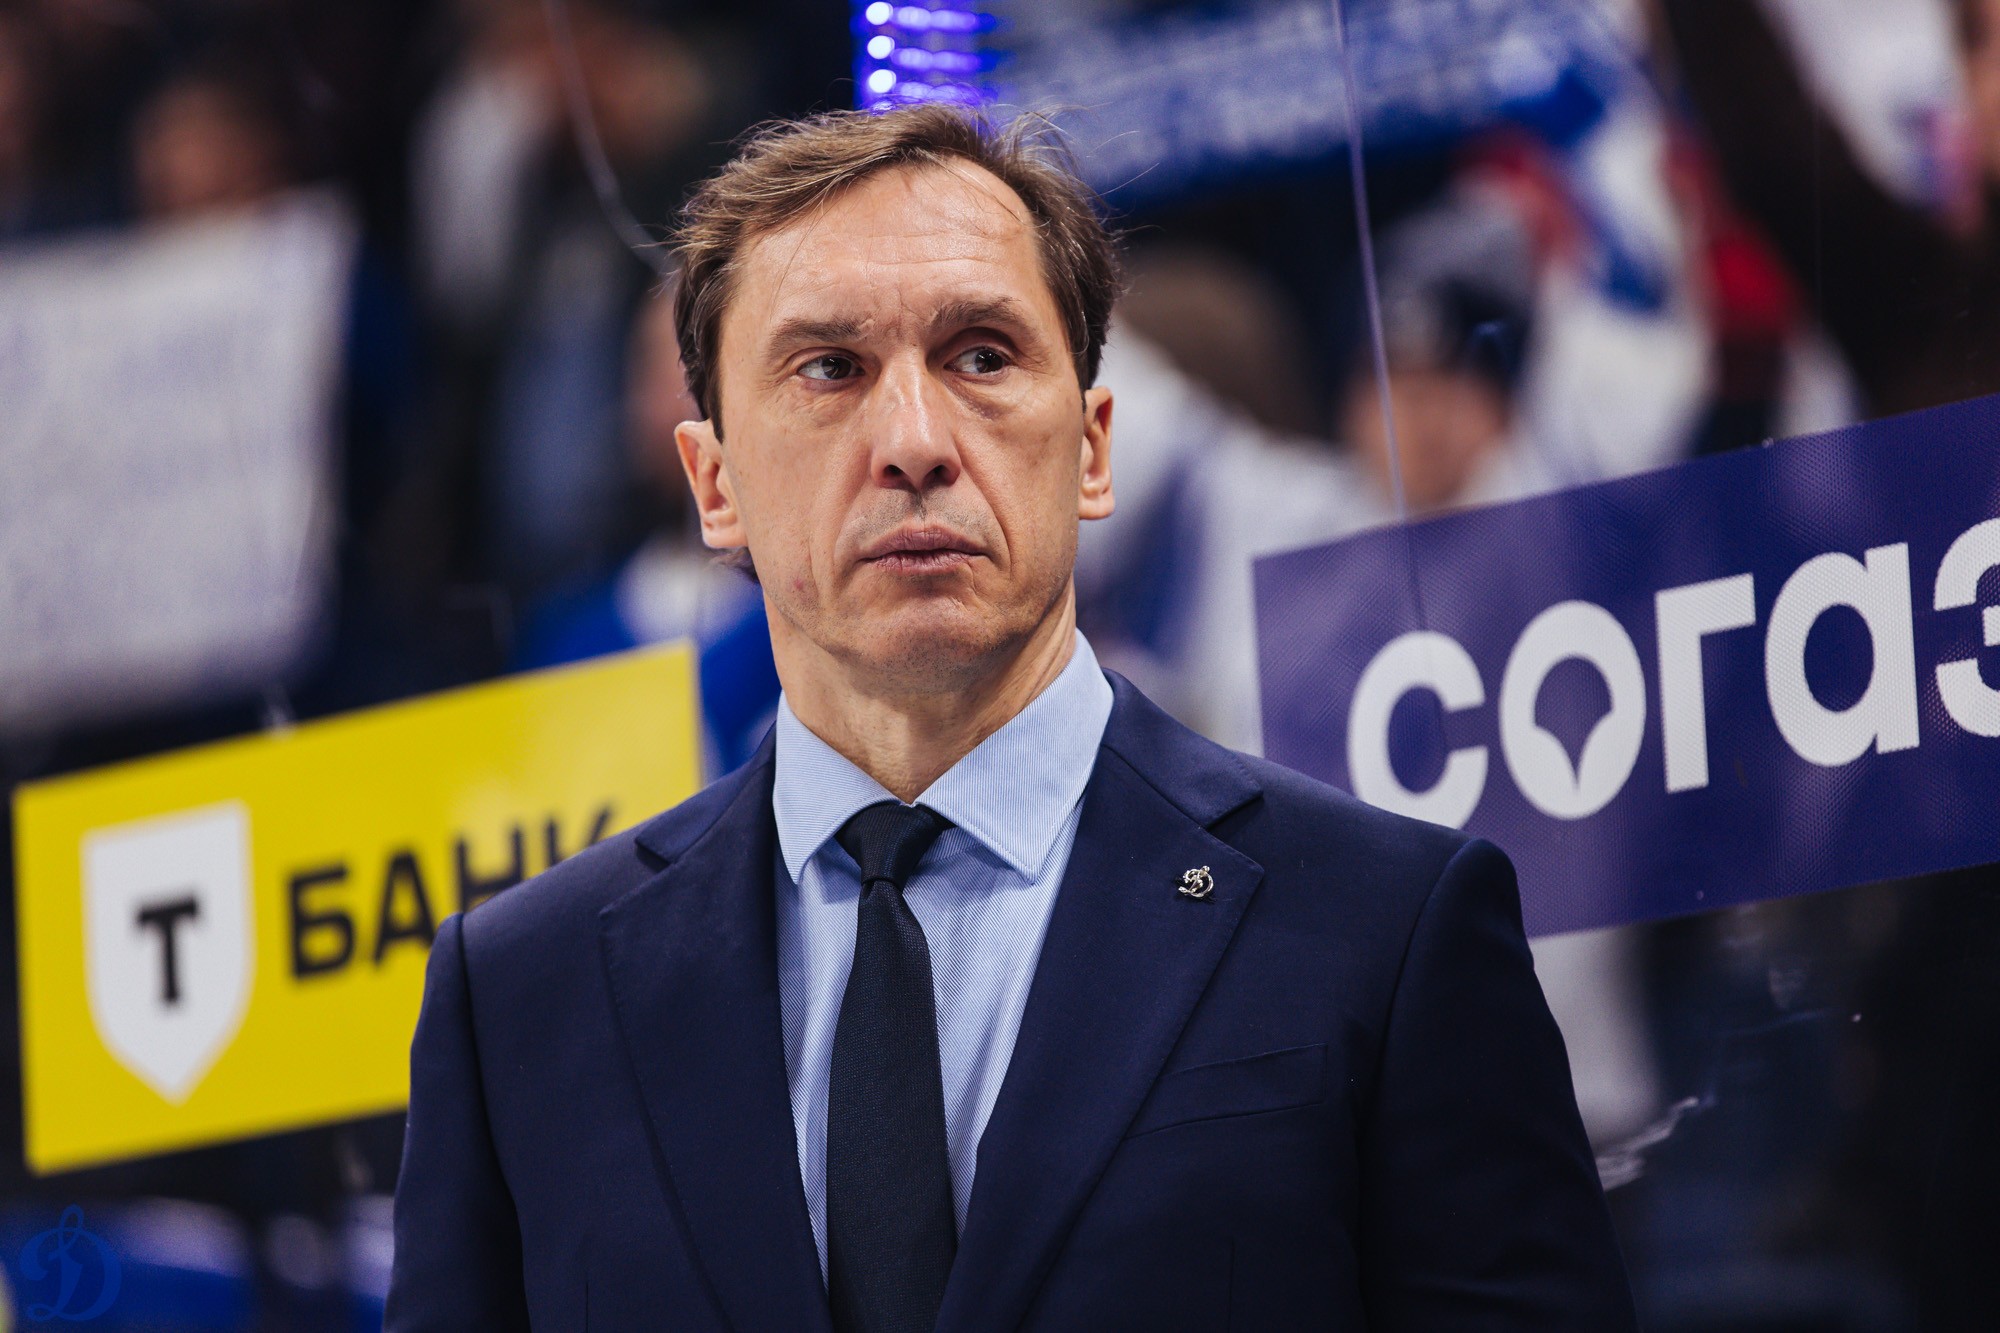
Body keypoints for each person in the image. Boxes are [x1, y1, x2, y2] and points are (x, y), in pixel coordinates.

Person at [385, 104, 1637, 1331]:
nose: (913, 441)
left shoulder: (1386, 928)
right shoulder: (521, 1002)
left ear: (1091, 448)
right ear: (714, 485)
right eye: (828, 368)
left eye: (981, 356)